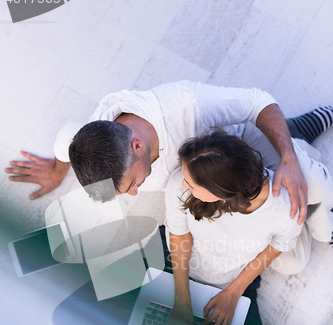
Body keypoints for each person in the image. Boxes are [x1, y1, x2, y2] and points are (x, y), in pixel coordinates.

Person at [8, 80, 333, 227]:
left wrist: (289, 160)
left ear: (137, 146)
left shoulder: (186, 104)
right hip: (202, 181)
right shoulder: (88, 140)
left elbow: (258, 102)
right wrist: (55, 169)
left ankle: (298, 129)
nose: (135, 192)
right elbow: (65, 136)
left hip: (233, 152)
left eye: (132, 183)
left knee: (300, 166)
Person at [161, 128, 320, 325]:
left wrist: (233, 293)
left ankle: (300, 143)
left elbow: (278, 246)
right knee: (71, 322)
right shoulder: (181, 182)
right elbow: (178, 235)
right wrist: (181, 300)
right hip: (176, 263)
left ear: (222, 192)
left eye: (192, 184)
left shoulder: (284, 207)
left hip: (235, 281)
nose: (183, 185)